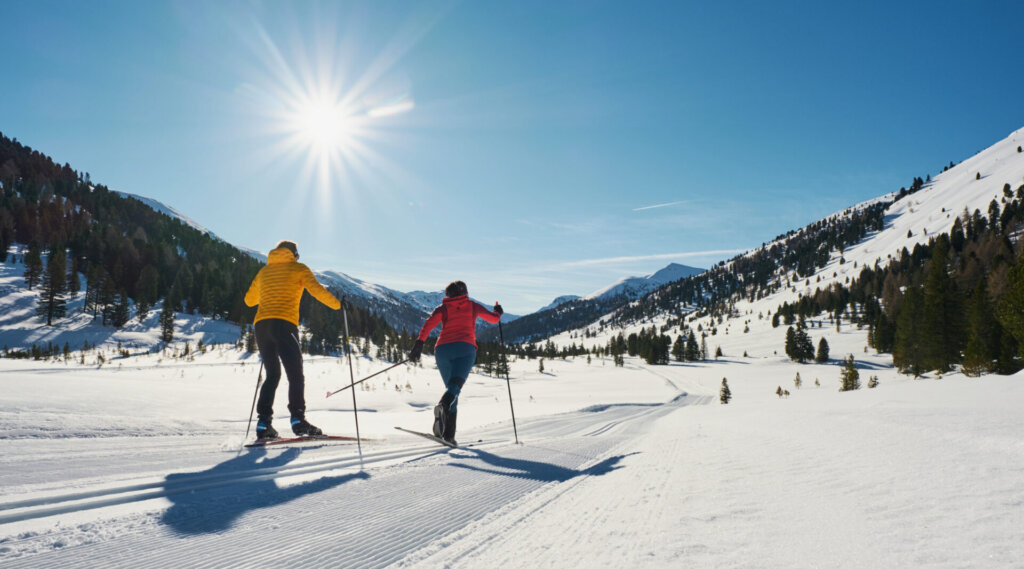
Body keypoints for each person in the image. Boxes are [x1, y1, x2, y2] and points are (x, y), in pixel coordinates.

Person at [244, 240, 341, 440]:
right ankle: (298, 420)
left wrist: (269, 290)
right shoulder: (298, 268)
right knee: (295, 374)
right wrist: (338, 305)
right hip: (284, 324)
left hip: (262, 326)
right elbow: (316, 290)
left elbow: (249, 300)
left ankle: (264, 424)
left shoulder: (264, 272)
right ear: (294, 254)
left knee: (272, 375)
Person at [408, 280, 503, 445]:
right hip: (465, 349)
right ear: (465, 292)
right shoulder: (473, 306)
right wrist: (498, 312)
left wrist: (419, 343)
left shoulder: (442, 308)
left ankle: (449, 435)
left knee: (452, 392)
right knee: (454, 388)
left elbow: (429, 324)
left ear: (448, 295)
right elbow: (493, 320)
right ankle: (443, 407)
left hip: (442, 351)